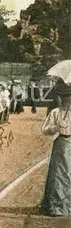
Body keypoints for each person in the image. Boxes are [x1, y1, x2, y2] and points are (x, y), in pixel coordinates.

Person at [40, 79, 71, 216]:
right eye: (64, 97)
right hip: (61, 145)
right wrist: (56, 127)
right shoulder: (56, 112)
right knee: (59, 175)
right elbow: (44, 130)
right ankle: (57, 206)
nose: (66, 100)